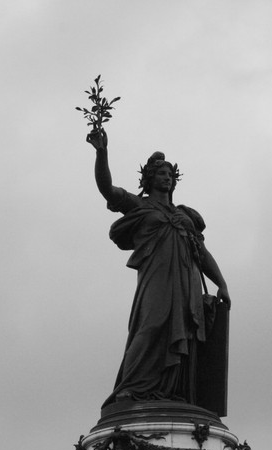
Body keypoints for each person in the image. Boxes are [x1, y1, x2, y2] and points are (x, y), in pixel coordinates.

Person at [87, 128, 230, 410]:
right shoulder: (139, 206)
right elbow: (107, 188)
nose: (167, 178)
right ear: (149, 178)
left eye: (170, 175)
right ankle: (130, 388)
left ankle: (172, 392)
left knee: (186, 332)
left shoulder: (183, 216)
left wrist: (221, 282)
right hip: (157, 279)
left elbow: (201, 253)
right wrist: (101, 152)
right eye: (161, 174)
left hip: (185, 281)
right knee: (151, 325)